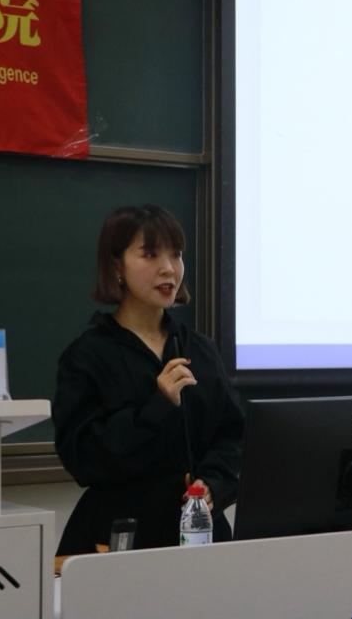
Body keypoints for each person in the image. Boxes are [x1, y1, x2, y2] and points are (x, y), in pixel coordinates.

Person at [53, 204, 243, 554]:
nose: (169, 268)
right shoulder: (88, 355)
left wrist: (214, 484)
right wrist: (158, 407)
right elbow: (83, 457)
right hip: (120, 538)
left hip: (201, 536)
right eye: (151, 254)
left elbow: (232, 435)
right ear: (116, 266)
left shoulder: (199, 349)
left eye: (177, 254)